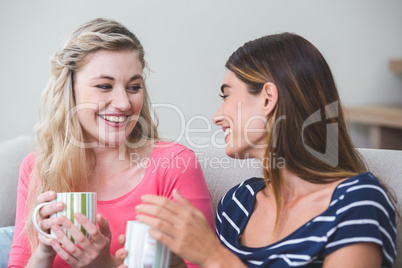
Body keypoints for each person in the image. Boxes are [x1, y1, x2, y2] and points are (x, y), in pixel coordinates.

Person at [129, 33, 397, 267]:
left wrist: (214, 258)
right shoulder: (236, 205)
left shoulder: (357, 201)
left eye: (226, 95)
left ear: (268, 98)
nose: (216, 116)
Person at [8, 18, 213, 268]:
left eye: (133, 87)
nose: (124, 103)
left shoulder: (175, 164)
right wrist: (44, 251)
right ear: (69, 91)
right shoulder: (38, 168)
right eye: (105, 86)